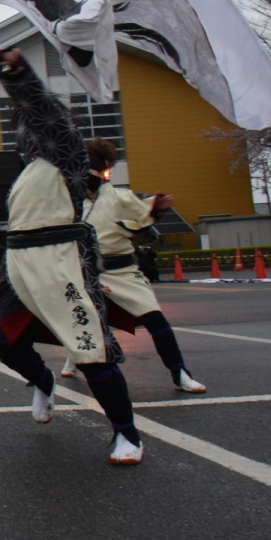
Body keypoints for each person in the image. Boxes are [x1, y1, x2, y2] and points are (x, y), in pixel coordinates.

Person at [0, 49, 143, 465]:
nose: (28, 136)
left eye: (31, 126)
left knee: (90, 349)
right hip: (19, 263)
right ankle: (44, 380)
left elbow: (42, 112)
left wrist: (18, 78)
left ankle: (127, 433)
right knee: (7, 344)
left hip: (61, 257)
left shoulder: (70, 153)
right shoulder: (28, 172)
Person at [60, 138, 205, 393]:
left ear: (104, 170)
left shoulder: (119, 197)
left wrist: (151, 214)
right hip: (87, 273)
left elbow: (146, 228)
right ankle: (73, 358)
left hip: (123, 271)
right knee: (84, 319)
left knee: (155, 320)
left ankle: (180, 372)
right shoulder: (73, 202)